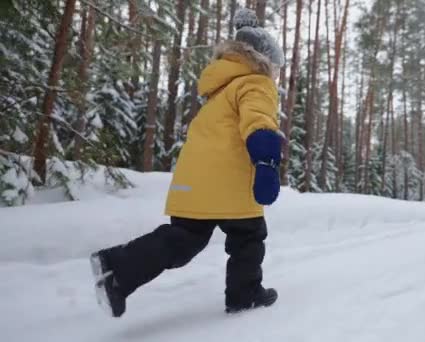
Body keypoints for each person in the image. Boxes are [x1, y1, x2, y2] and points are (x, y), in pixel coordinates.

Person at [90, 9, 285, 318]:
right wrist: (266, 160)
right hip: (228, 182)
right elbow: (259, 121)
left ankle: (118, 268)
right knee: (248, 236)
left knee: (184, 240)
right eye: (275, 66)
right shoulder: (256, 83)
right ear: (263, 61)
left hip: (192, 181)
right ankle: (244, 293)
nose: (275, 73)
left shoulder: (217, 91)